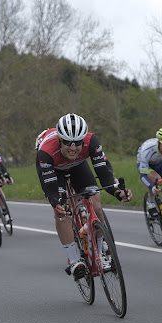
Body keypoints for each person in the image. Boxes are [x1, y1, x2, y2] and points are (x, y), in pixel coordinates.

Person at [35, 113, 132, 280]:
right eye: (67, 143)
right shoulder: (46, 153)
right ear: (60, 140)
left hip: (78, 166)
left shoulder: (92, 142)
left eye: (78, 143)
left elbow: (104, 176)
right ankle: (74, 260)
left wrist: (118, 192)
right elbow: (51, 191)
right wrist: (57, 203)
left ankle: (101, 251)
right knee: (62, 211)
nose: (73, 148)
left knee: (96, 205)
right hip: (55, 170)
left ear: (83, 140)